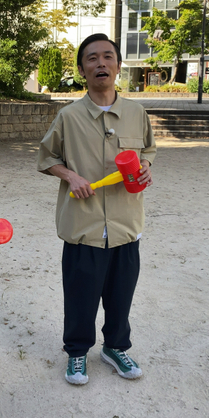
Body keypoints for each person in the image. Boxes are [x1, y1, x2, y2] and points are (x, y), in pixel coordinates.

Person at [37, 33, 156, 386]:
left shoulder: (136, 113)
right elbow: (46, 158)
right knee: (80, 294)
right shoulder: (69, 116)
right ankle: (77, 352)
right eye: (92, 58)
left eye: (107, 57)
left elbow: (148, 151)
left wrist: (147, 165)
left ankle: (115, 347)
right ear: (81, 70)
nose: (100, 63)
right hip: (83, 225)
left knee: (121, 294)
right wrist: (69, 175)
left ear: (118, 66)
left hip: (125, 223)